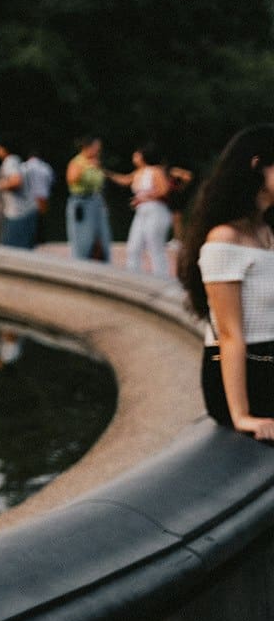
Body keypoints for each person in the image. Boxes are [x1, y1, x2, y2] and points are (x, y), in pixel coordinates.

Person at [178, 125, 274, 441]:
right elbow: (229, 334)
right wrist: (242, 416)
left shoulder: (266, 232)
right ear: (257, 166)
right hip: (249, 376)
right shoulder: (224, 241)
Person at [110, 145, 174, 277]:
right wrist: (106, 173)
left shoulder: (155, 171)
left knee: (155, 246)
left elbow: (164, 190)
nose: (134, 157)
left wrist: (146, 197)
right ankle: (133, 276)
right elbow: (124, 180)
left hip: (156, 211)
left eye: (137, 155)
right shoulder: (138, 172)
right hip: (141, 213)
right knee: (133, 246)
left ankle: (161, 277)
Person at [65, 136, 112, 261]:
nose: (98, 150)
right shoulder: (77, 162)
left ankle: (103, 266)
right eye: (96, 147)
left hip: (96, 201)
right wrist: (86, 166)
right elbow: (71, 179)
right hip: (81, 202)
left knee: (102, 237)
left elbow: (100, 185)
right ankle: (80, 264)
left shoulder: (96, 162)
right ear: (88, 147)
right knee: (83, 239)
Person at [0, 140, 37, 250]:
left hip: (18, 213)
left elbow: (16, 181)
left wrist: (1, 185)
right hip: (26, 210)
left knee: (12, 251)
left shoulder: (10, 161)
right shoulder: (17, 160)